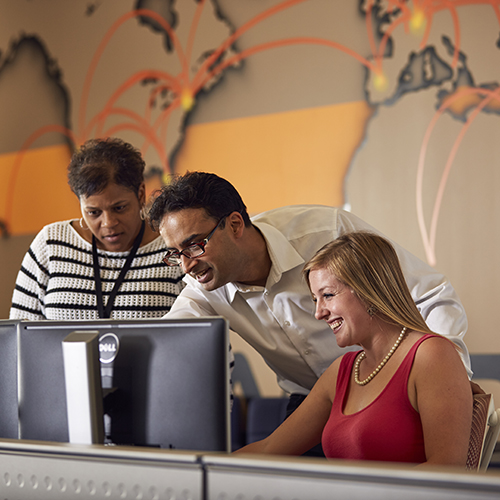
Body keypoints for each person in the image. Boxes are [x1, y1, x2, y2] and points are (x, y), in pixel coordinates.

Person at [147, 171, 471, 415]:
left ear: (234, 225)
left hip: (389, 389)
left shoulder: (327, 232)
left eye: (194, 245)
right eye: (176, 253)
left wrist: (446, 381)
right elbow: (169, 342)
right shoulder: (202, 288)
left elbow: (430, 294)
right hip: (308, 404)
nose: (186, 265)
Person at [234, 232, 473, 466]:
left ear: (369, 291)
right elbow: (269, 448)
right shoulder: (343, 370)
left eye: (327, 295)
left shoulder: (431, 354)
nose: (318, 313)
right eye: (315, 299)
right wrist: (202, 467)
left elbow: (447, 467)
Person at [10, 137, 184, 320]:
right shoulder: (50, 243)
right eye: (93, 212)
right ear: (80, 204)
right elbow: (19, 336)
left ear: (140, 194)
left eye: (119, 208)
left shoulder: (173, 246)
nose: (108, 223)